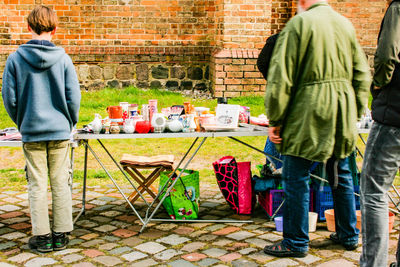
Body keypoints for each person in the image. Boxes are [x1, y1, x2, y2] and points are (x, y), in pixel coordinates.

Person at [263, 0, 371, 258]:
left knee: (296, 177)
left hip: (307, 112)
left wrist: (276, 118)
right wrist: (355, 109)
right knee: (342, 174)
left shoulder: (298, 25)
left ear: (301, 2)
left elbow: (281, 77)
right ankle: (348, 235)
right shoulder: (345, 25)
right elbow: (362, 73)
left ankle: (296, 241)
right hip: (341, 113)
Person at [2, 6, 81, 252]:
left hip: (32, 130)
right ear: (55, 29)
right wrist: (69, 122)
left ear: (28, 27)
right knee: (61, 181)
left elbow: (9, 98)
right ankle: (61, 234)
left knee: (36, 183)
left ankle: (43, 237)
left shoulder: (15, 58)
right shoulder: (64, 58)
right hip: (59, 131)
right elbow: (73, 97)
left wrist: (22, 121)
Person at [360, 1, 400, 266]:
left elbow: (387, 57)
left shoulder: (397, 8)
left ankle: (373, 263)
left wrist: (378, 86)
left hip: (395, 113)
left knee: (373, 190)